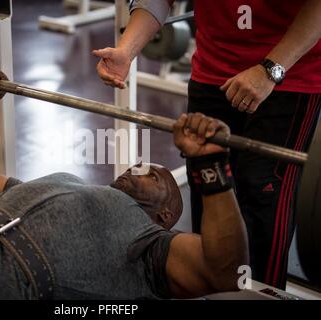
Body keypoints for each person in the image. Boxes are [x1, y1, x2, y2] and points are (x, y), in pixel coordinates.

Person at [0, 67, 248, 300]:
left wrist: (209, 164)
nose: (136, 168)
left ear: (165, 215)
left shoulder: (151, 247)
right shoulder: (63, 183)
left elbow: (224, 272)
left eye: (151, 174)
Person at [93, 0, 321, 289]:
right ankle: (213, 289)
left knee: (262, 193)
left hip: (289, 78)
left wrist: (270, 70)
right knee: (208, 185)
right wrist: (126, 49)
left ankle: (262, 294)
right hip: (212, 73)